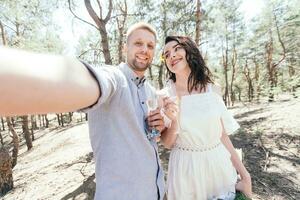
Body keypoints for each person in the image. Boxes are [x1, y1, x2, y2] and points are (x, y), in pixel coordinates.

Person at [0, 22, 168, 200]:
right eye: (138, 43)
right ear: (124, 47)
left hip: (156, 190)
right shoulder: (116, 78)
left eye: (150, 46)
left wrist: (157, 127)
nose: (145, 49)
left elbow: (150, 139)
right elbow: (86, 82)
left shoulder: (150, 91)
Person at [160, 36, 252, 200]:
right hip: (185, 169)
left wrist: (245, 175)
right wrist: (174, 119)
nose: (171, 56)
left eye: (176, 49)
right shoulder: (165, 96)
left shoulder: (213, 89)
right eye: (166, 54)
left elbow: (223, 136)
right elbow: (167, 143)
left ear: (189, 51)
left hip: (217, 164)